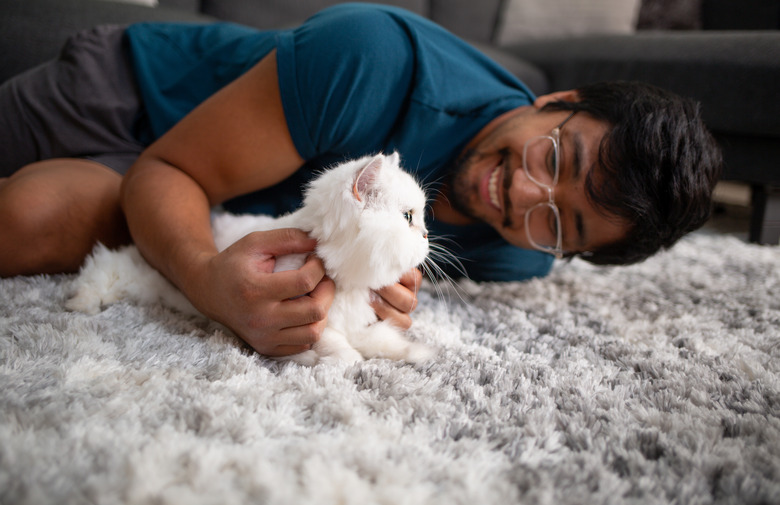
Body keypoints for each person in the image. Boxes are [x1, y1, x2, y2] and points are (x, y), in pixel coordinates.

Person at [0, 4, 721, 356]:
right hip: (136, 94)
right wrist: (206, 281)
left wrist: (382, 297)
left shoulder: (522, 251)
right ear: (556, 103)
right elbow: (169, 168)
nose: (526, 197)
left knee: (32, 218)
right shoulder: (378, 57)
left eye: (563, 224)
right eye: (555, 159)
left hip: (217, 203)